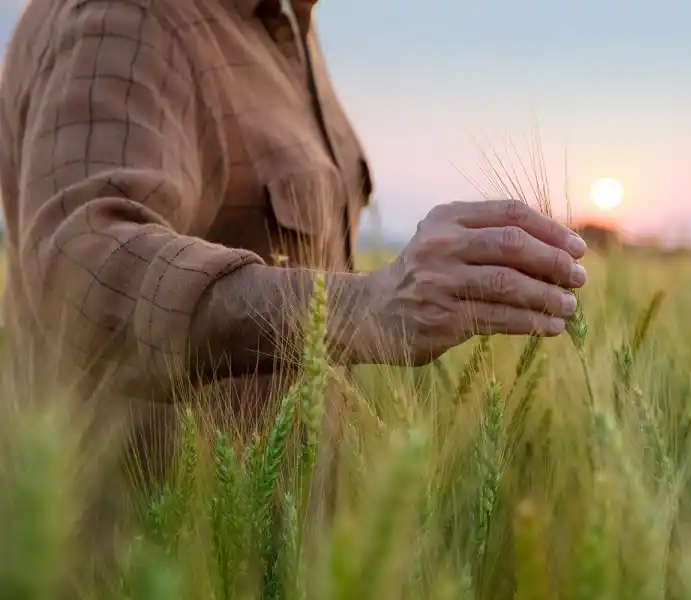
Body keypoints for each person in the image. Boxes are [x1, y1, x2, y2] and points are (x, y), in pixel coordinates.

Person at [0, 0, 587, 498]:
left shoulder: (284, 24)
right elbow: (78, 272)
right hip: (153, 561)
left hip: (280, 550)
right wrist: (360, 308)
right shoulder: (131, 17)